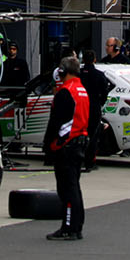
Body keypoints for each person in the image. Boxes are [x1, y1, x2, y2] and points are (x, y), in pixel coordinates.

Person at [41, 56, 90, 241]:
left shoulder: (65, 92)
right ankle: (76, 226)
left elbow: (56, 122)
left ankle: (68, 227)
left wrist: (48, 145)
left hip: (67, 145)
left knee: (66, 189)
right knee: (74, 187)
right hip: (80, 141)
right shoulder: (82, 90)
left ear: (64, 71)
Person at [79, 50, 109, 171]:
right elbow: (105, 93)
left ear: (83, 60)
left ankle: (78, 158)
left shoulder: (78, 74)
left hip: (81, 107)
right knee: (93, 136)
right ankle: (90, 162)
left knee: (78, 133)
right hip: (94, 107)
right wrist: (99, 103)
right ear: (95, 60)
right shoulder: (99, 75)